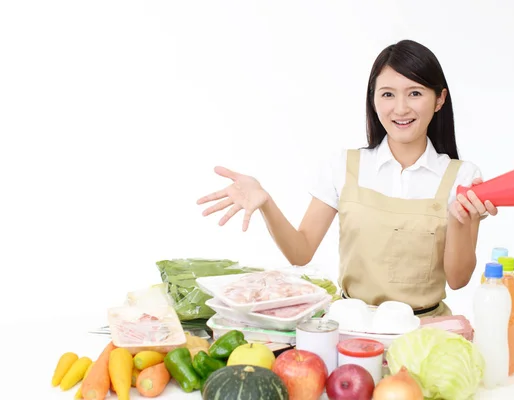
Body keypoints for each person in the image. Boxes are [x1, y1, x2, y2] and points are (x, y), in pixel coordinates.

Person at [197, 39, 498, 318]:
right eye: (388, 94)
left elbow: (458, 280)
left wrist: (459, 218)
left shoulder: (463, 176)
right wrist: (266, 202)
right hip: (352, 327)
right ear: (374, 100)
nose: (401, 108)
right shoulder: (342, 166)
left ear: (439, 99)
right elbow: (300, 253)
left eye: (415, 93)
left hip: (426, 331)